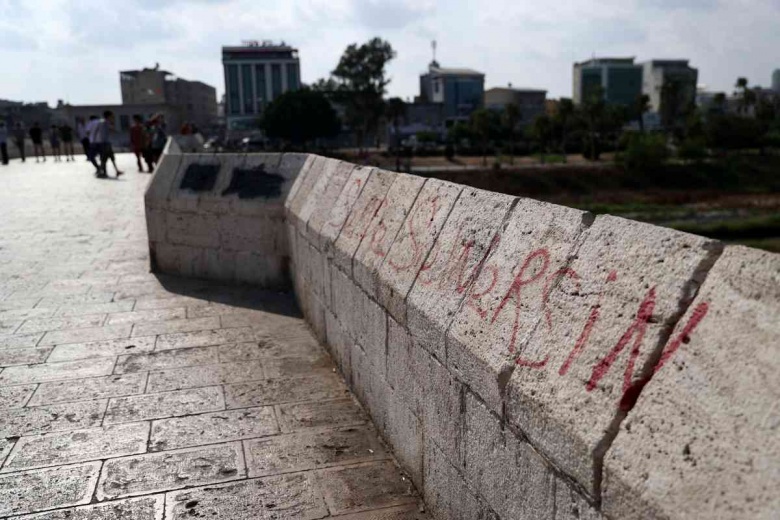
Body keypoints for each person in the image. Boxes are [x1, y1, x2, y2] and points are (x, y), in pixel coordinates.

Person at [91, 110, 123, 178]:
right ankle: (100, 172)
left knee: (111, 157)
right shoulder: (104, 122)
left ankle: (116, 170)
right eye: (111, 116)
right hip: (105, 143)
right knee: (104, 158)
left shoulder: (102, 122)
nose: (112, 117)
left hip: (105, 142)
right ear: (108, 116)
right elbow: (109, 130)